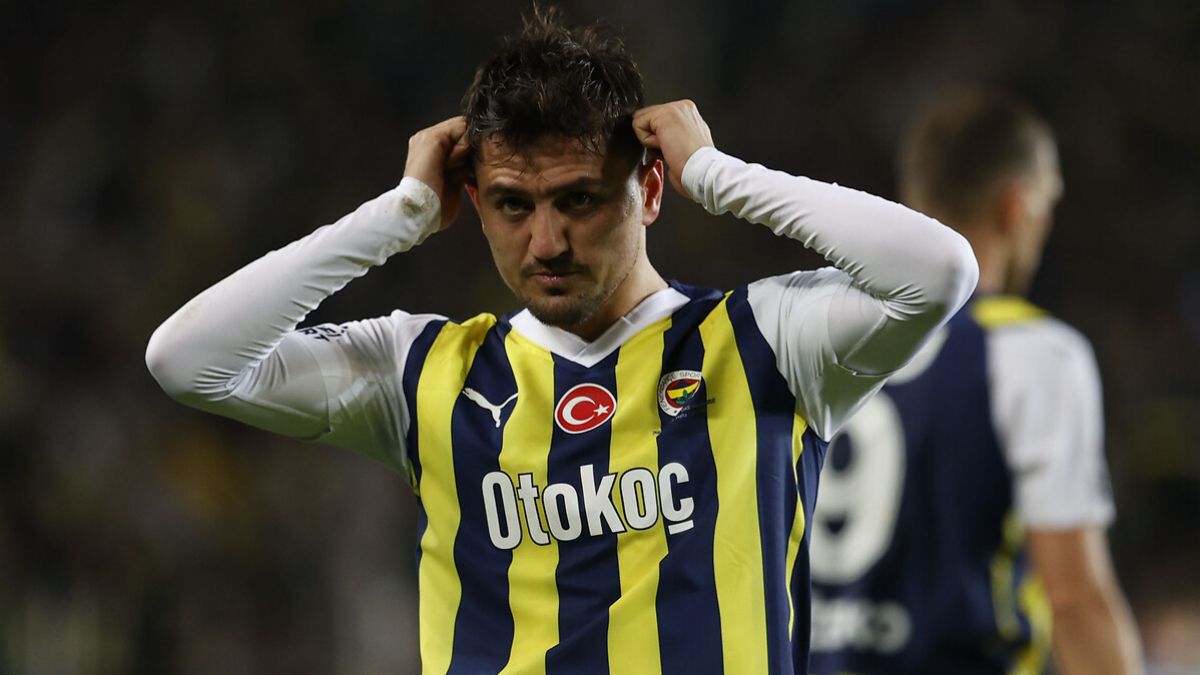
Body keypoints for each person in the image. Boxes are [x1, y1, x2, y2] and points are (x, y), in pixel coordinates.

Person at [145, 9, 977, 673]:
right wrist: (395, 216)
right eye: (513, 204)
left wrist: (721, 176)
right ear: (474, 204)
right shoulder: (422, 372)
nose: (546, 242)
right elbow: (186, 361)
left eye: (578, 199)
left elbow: (940, 270)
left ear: (650, 189)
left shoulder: (767, 341)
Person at [807, 90, 1144, 674]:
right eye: (1047, 201)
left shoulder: (816, 333)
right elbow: (1075, 602)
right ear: (1016, 205)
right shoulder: (1033, 353)